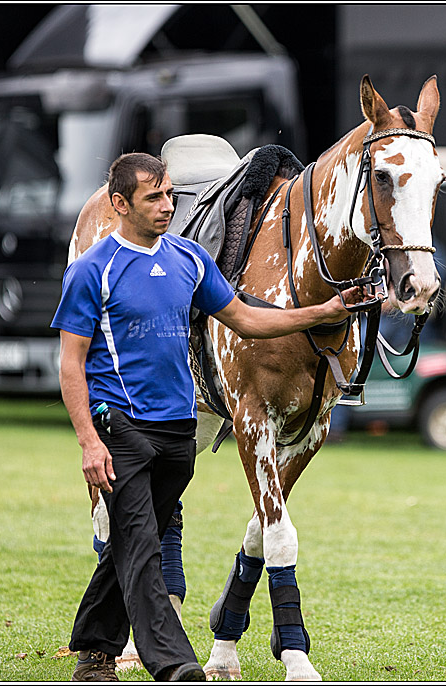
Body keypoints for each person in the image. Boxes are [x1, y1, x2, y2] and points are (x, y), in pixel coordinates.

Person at [52, 152, 360, 681]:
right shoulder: (90, 270)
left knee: (128, 543)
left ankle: (94, 653)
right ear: (119, 204)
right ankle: (176, 666)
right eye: (154, 198)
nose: (167, 206)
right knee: (145, 548)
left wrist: (322, 313)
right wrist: (88, 441)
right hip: (120, 424)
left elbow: (246, 319)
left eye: (170, 194)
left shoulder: (190, 259)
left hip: (178, 432)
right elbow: (70, 363)